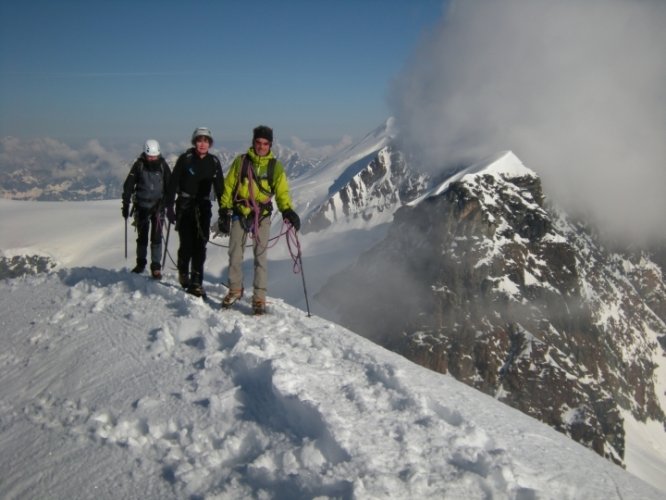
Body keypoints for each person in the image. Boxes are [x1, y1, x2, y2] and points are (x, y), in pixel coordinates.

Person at [218, 125, 300, 314]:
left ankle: (259, 298)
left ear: (270, 144)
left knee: (260, 258)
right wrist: (224, 209)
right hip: (240, 211)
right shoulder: (241, 162)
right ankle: (235, 289)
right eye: (258, 142)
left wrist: (287, 210)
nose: (261, 146)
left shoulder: (275, 167)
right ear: (253, 142)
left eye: (265, 143)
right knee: (234, 254)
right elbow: (229, 186)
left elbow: (282, 192)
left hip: (261, 216)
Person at [165, 127, 224, 297]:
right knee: (187, 244)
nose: (203, 144)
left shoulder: (213, 162)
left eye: (206, 141)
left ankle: (196, 282)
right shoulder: (185, 159)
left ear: (210, 144)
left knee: (201, 245)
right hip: (185, 206)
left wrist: (224, 210)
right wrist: (169, 206)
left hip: (203, 207)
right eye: (200, 140)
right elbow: (173, 182)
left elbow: (220, 188)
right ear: (194, 142)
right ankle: (183, 270)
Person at [122, 139, 171, 279]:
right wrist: (125, 203)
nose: (152, 158)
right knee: (142, 237)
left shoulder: (162, 165)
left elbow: (170, 184)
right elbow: (129, 185)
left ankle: (156, 267)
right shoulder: (139, 165)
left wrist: (168, 203)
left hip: (158, 207)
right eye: (150, 156)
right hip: (142, 207)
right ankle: (141, 264)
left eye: (154, 156)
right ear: (145, 153)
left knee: (156, 238)